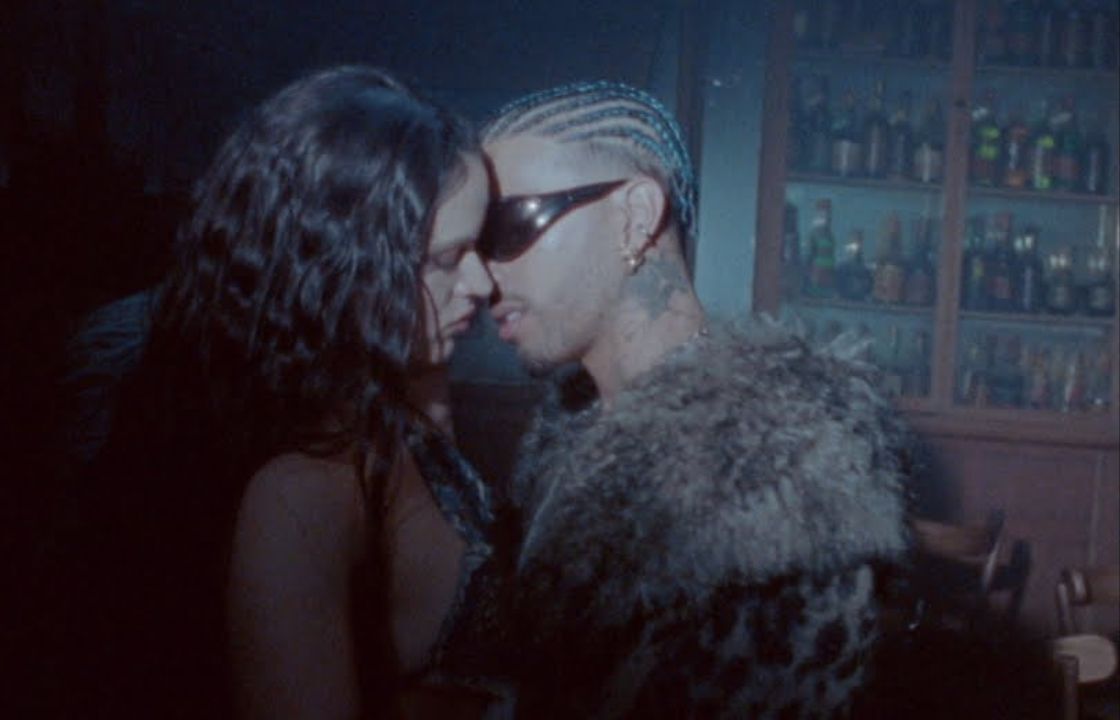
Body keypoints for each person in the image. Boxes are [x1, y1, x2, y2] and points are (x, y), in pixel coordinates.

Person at [65, 66, 506, 719]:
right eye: (445, 258)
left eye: (479, 247)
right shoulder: (299, 492)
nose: (483, 283)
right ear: (346, 263)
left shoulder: (400, 397)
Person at [477, 81, 912, 717]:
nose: (481, 273)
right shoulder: (571, 434)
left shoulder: (782, 463)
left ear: (636, 215)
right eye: (473, 242)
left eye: (507, 228)